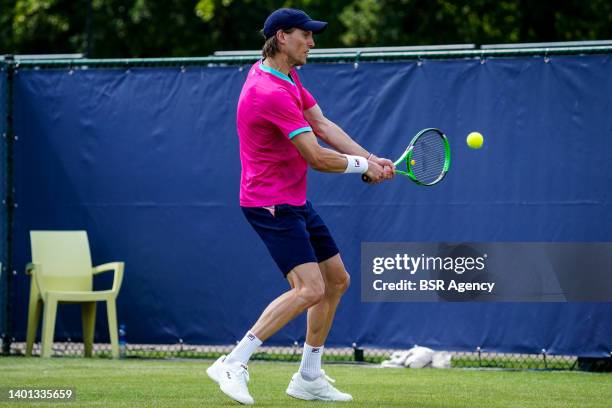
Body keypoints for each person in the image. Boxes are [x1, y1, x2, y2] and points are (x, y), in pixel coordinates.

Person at [206, 8, 394, 404]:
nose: (312, 42)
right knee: (310, 289)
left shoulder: (286, 76)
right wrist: (363, 167)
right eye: (305, 35)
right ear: (280, 37)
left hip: (293, 198)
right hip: (269, 203)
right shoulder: (268, 91)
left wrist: (372, 159)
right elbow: (316, 156)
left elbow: (323, 125)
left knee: (337, 280)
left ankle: (308, 377)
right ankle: (233, 362)